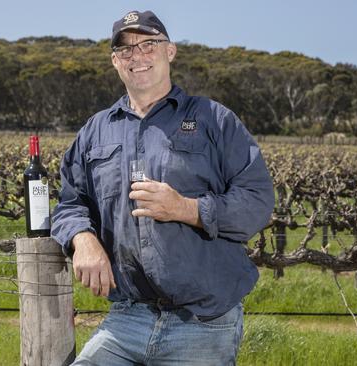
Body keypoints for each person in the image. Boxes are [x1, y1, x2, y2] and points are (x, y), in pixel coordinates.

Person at [51, 10, 274, 366]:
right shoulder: (95, 131)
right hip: (127, 318)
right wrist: (83, 239)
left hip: (203, 322)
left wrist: (186, 208)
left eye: (148, 44)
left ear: (170, 51)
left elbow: (258, 200)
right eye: (125, 50)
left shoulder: (214, 120)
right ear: (114, 62)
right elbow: (70, 203)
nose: (137, 56)